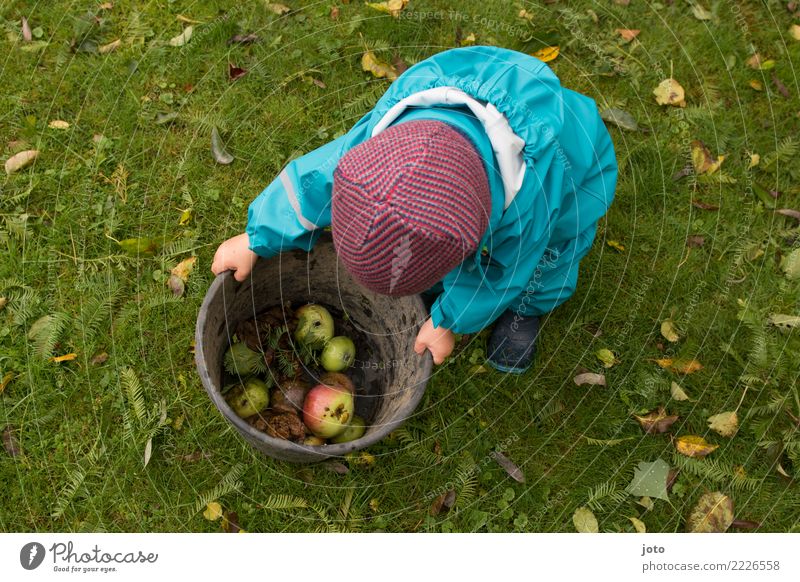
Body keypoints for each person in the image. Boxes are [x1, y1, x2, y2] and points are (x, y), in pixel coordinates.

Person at [211, 46, 618, 374]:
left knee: (545, 262)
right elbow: (314, 182)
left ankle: (527, 313)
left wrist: (449, 321)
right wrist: (258, 236)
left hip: (573, 179)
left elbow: (500, 275)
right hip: (482, 112)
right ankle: (434, 276)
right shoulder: (372, 150)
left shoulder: (527, 213)